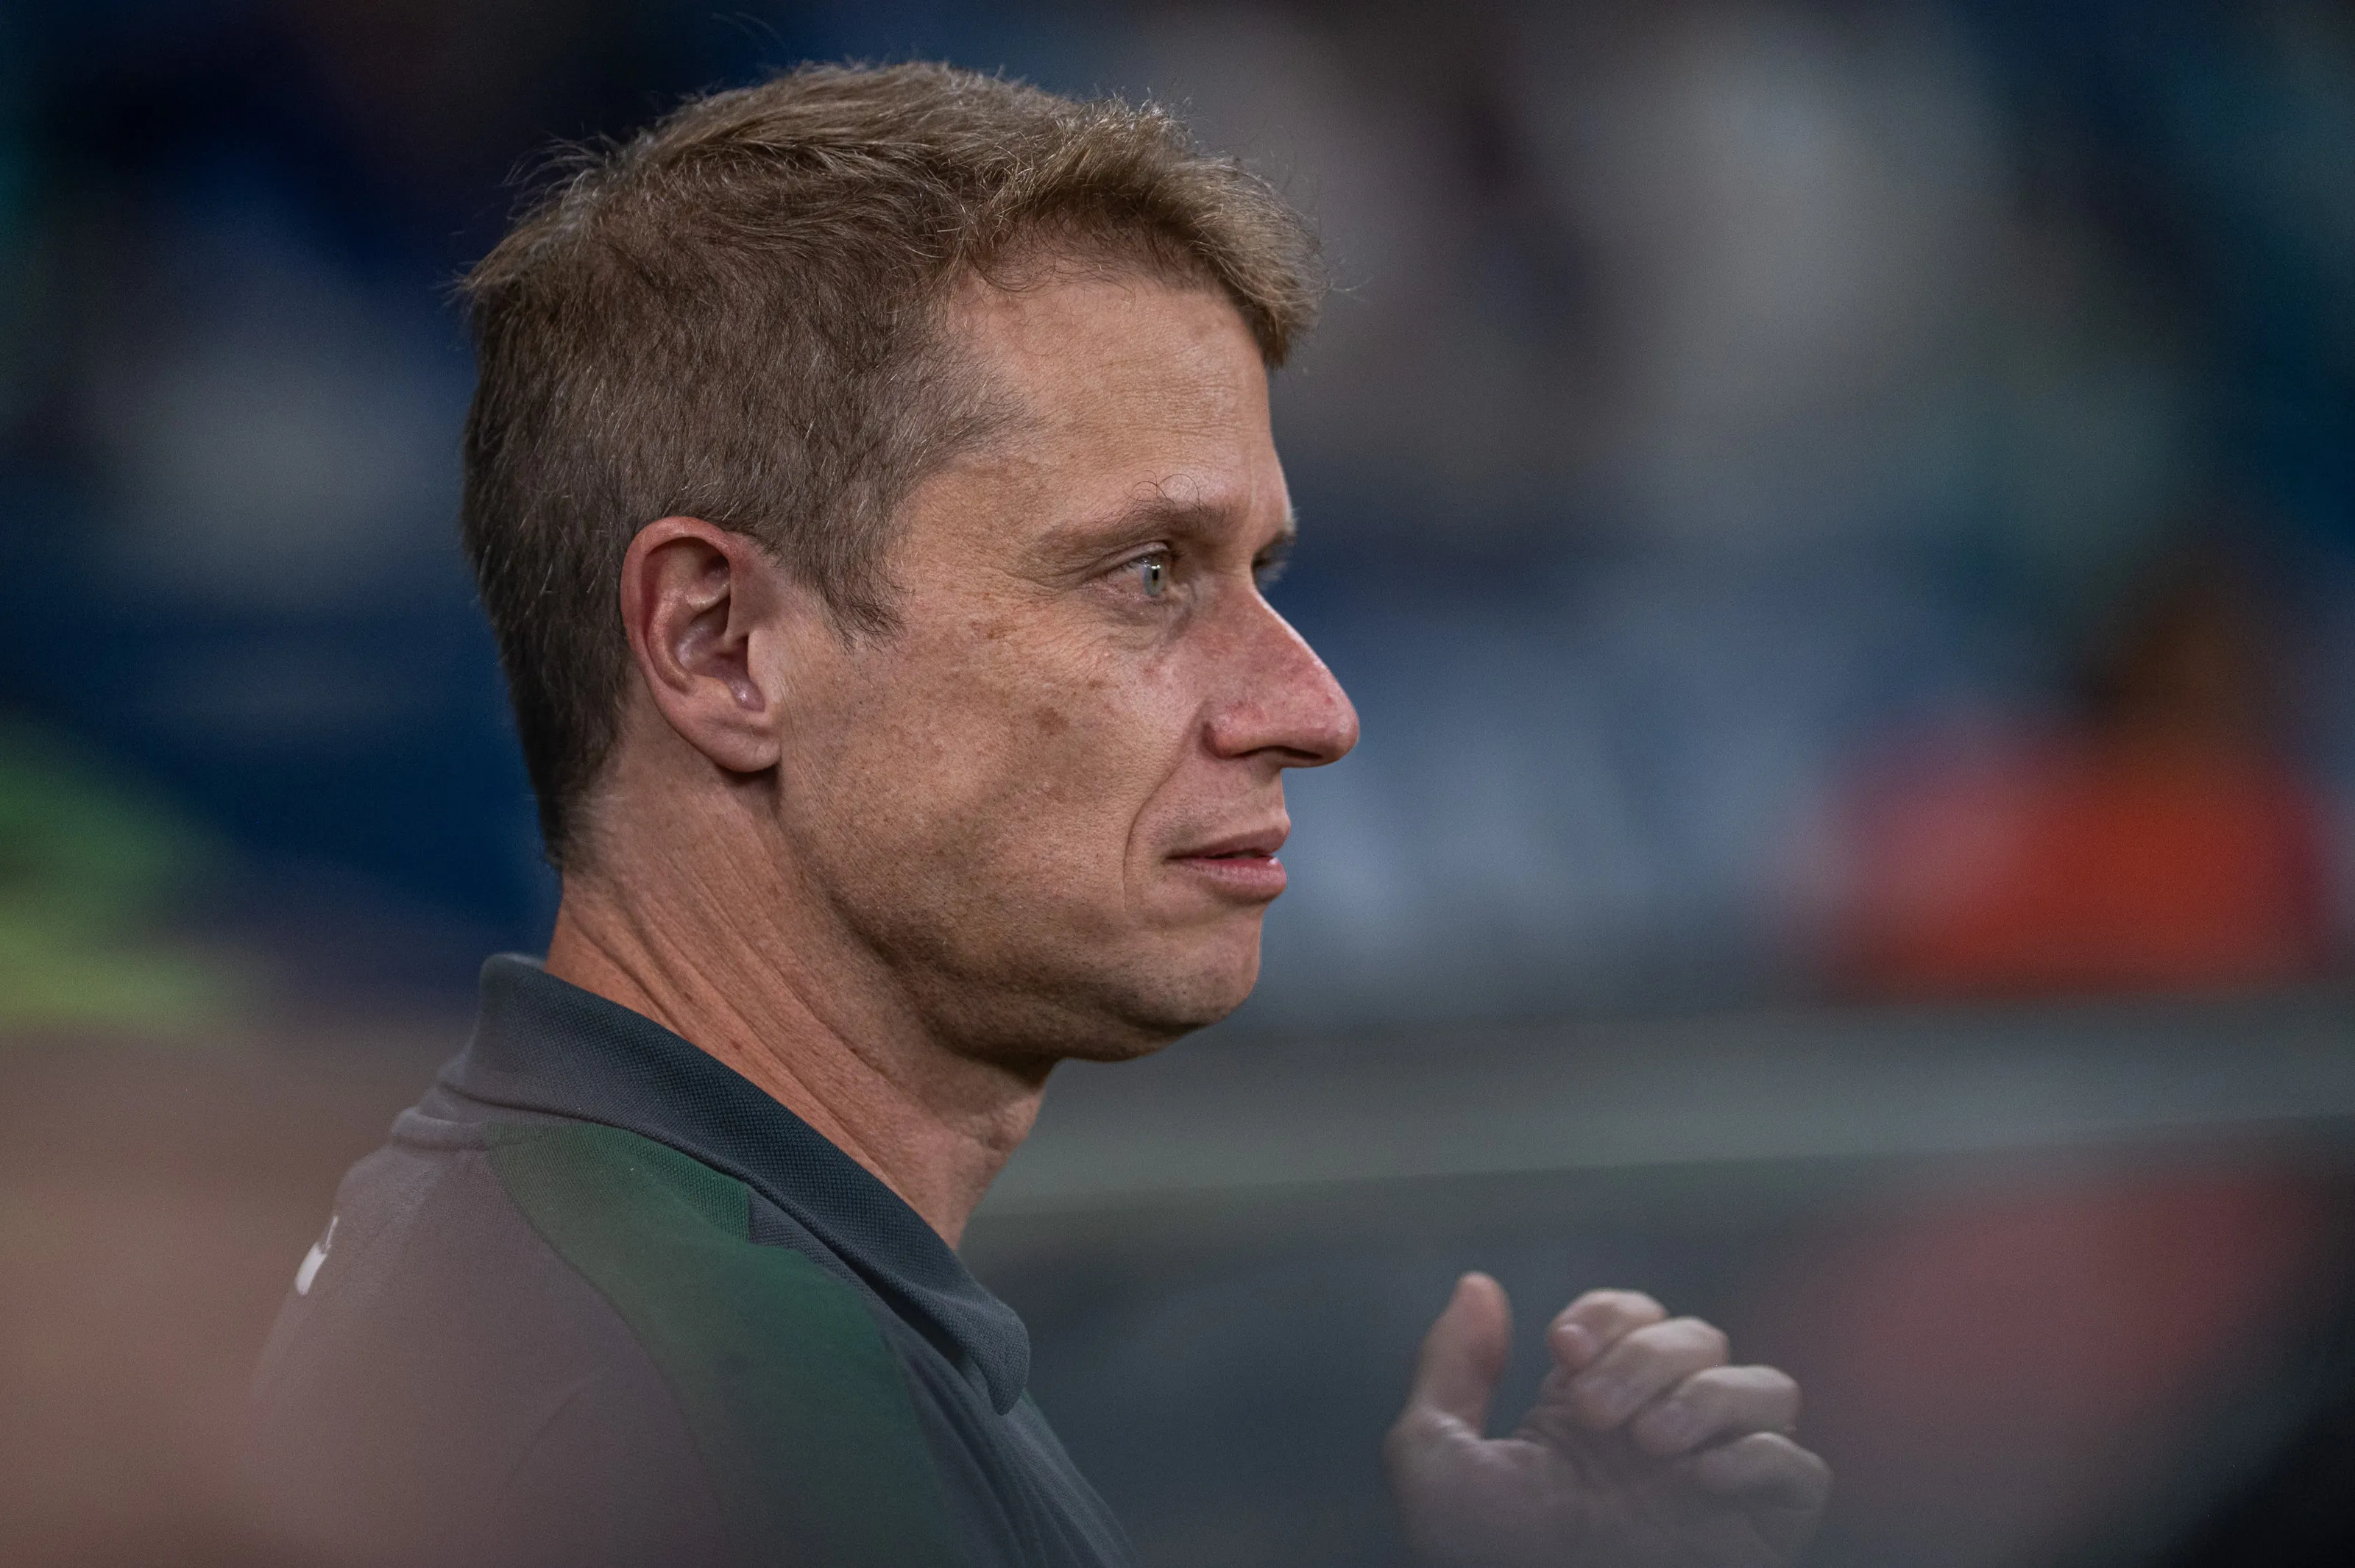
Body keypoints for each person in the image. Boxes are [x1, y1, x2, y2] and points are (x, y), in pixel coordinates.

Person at [243, 63, 1830, 1568]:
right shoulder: (723, 1401)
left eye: (1262, 574)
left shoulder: (602, 1275)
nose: (1313, 710)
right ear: (720, 646)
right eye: (1146, 573)